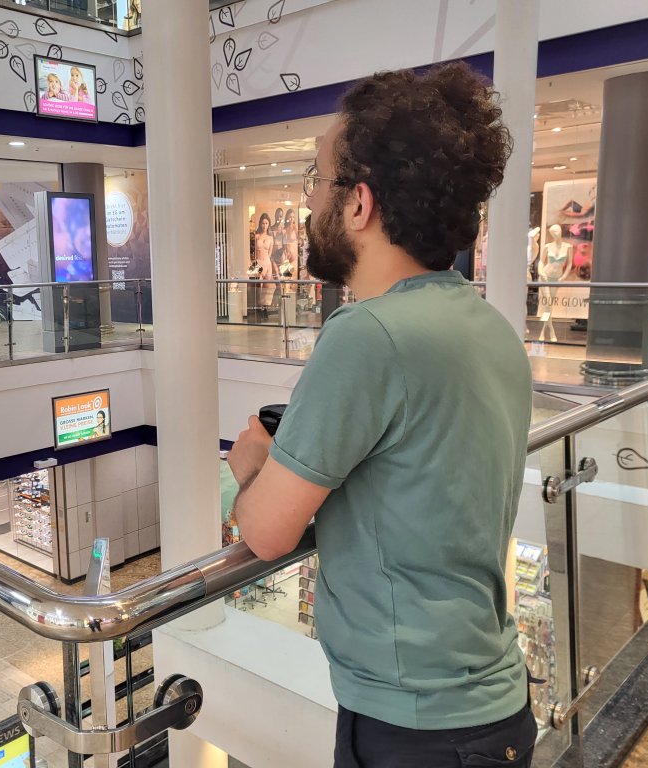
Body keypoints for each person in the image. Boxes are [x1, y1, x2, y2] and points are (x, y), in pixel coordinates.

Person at [227, 62, 535, 768]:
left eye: (317, 179)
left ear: (359, 202)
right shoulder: (486, 327)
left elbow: (269, 532)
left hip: (416, 728)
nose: (308, 204)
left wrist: (251, 470)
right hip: (491, 709)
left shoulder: (366, 335)